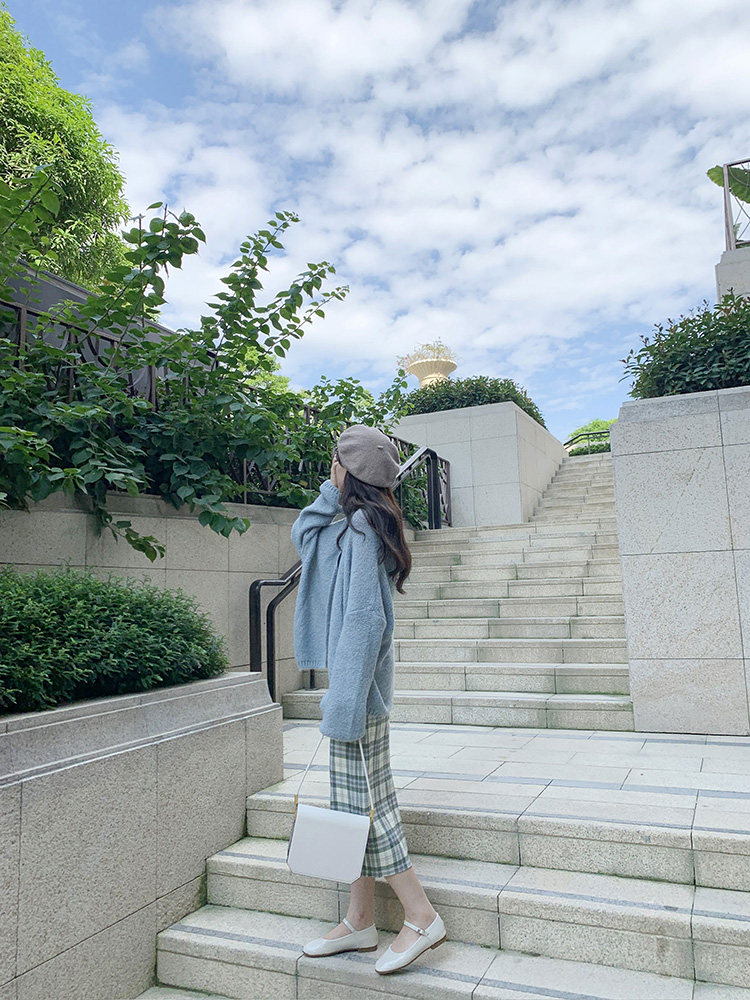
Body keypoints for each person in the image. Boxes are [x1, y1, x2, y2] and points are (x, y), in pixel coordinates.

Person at [289, 423, 445, 975]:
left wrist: (344, 703)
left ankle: (422, 916)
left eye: (334, 463)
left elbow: (362, 622)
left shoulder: (359, 531)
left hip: (358, 698)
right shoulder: (356, 522)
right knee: (352, 807)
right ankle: (359, 920)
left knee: (371, 810)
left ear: (345, 469)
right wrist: (335, 489)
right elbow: (303, 535)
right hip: (354, 692)